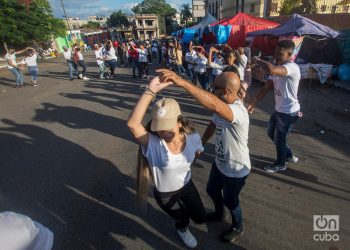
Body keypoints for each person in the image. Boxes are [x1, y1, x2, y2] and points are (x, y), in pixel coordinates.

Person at [157, 69, 251, 243]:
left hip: (236, 170)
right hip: (220, 163)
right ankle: (219, 212)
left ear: (226, 91)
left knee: (232, 201)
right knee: (211, 190)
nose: (211, 90)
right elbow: (213, 123)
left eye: (215, 87)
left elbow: (213, 105)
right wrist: (200, 143)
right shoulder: (223, 109)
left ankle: (238, 226)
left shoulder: (237, 111)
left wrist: (183, 82)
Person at [127, 77, 206, 248]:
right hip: (165, 194)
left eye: (168, 126)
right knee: (183, 219)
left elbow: (197, 153)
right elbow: (133, 124)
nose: (163, 132)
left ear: (179, 122)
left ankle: (184, 217)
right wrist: (151, 90)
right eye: (159, 127)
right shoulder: (154, 144)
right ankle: (182, 229)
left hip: (187, 186)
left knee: (200, 218)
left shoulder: (193, 138)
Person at [248, 40, 301, 173]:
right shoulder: (278, 68)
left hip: (289, 112)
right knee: (271, 134)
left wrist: (256, 60)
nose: (276, 56)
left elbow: (271, 69)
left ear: (290, 56)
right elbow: (267, 87)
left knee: (280, 138)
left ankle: (280, 163)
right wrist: (254, 102)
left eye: (280, 54)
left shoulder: (292, 67)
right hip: (279, 110)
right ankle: (288, 155)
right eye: (276, 53)